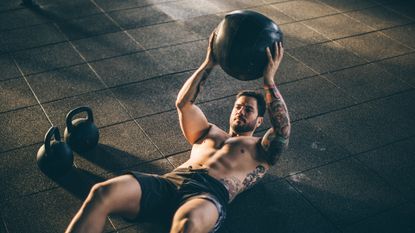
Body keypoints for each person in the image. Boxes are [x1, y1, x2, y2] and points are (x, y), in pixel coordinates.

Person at [65, 31, 290, 233]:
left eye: (248, 109)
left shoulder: (260, 149)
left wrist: (269, 80)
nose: (240, 111)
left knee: (187, 224)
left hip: (207, 194)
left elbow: (282, 131)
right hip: (170, 182)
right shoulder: (208, 131)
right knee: (101, 192)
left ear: (260, 120)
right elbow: (184, 104)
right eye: (238, 106)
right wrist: (209, 63)